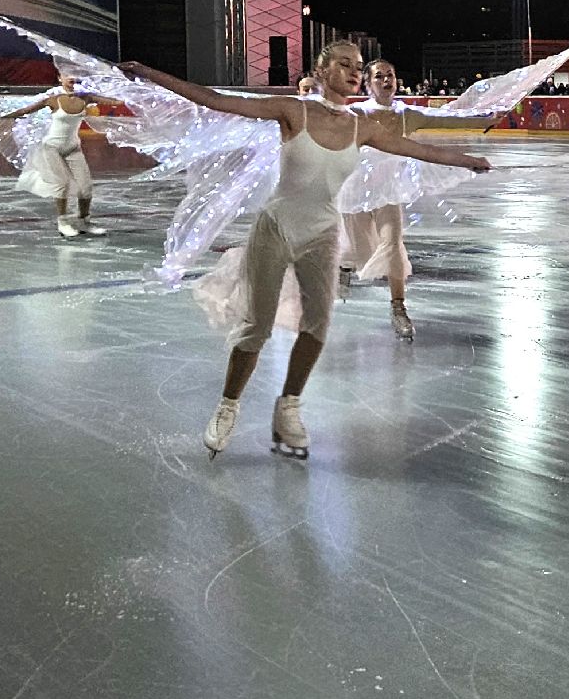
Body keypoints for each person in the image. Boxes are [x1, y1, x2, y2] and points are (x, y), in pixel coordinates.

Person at [119, 41, 491, 461]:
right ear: (323, 69)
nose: (354, 72)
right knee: (257, 327)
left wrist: (467, 159)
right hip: (276, 228)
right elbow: (217, 100)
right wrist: (151, 73)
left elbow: (418, 150)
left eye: (358, 67)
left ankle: (289, 407)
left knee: (317, 325)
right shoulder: (293, 111)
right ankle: (228, 406)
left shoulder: (360, 125)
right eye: (345, 65)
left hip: (322, 233)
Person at [341, 59, 488, 340]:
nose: (386, 80)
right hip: (355, 190)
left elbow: (446, 118)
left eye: (391, 75)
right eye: (379, 76)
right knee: (362, 251)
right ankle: (343, 265)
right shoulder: (356, 113)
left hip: (389, 191)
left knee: (393, 244)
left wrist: (485, 118)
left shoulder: (405, 114)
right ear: (368, 84)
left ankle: (398, 308)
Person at [0, 74, 124, 237]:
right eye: (66, 75)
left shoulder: (86, 97)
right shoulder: (53, 100)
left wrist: (132, 92)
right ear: (59, 78)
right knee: (62, 184)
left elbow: (115, 102)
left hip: (73, 148)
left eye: (73, 75)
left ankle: (83, 221)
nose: (71, 78)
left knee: (86, 188)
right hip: (52, 148)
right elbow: (25, 111)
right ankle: (63, 222)